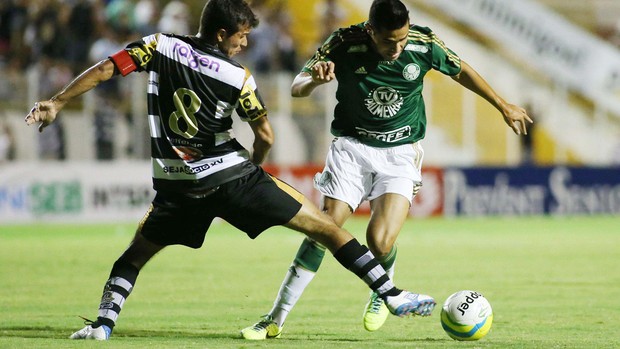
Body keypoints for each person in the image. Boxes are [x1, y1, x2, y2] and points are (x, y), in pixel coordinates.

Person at [24, 0, 434, 341]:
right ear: (222, 34)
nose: (244, 43)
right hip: (230, 175)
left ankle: (103, 324)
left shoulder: (157, 46)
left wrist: (57, 102)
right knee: (326, 227)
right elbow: (266, 135)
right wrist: (253, 170)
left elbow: (105, 69)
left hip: (174, 184)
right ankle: (391, 294)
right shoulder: (237, 76)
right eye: (241, 36)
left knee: (134, 256)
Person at [241, 0, 533, 339]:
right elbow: (297, 87)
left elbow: (460, 69)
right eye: (387, 42)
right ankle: (275, 317)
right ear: (370, 31)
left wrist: (502, 105)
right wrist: (315, 81)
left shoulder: (424, 44)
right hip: (352, 147)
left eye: (401, 39)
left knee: (378, 241)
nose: (396, 49)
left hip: (400, 153)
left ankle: (383, 287)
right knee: (324, 228)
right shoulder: (344, 43)